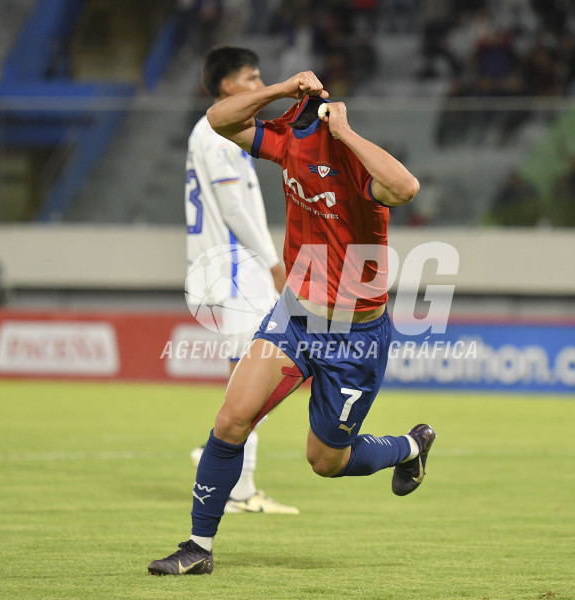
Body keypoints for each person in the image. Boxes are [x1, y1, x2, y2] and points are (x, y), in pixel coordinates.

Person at [148, 70, 436, 576]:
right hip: (296, 315)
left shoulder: (353, 158)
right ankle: (198, 547)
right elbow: (218, 119)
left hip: (356, 336)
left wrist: (345, 132)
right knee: (231, 420)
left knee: (326, 460)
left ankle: (411, 446)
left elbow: (406, 186)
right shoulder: (286, 142)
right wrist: (281, 88)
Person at [183, 46, 297, 515]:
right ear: (227, 85)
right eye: (251, 77)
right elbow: (233, 209)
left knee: (250, 377)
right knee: (261, 375)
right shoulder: (217, 134)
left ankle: (230, 471)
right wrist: (274, 262)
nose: (258, 83)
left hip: (227, 272)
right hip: (233, 272)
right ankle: (232, 475)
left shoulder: (215, 132)